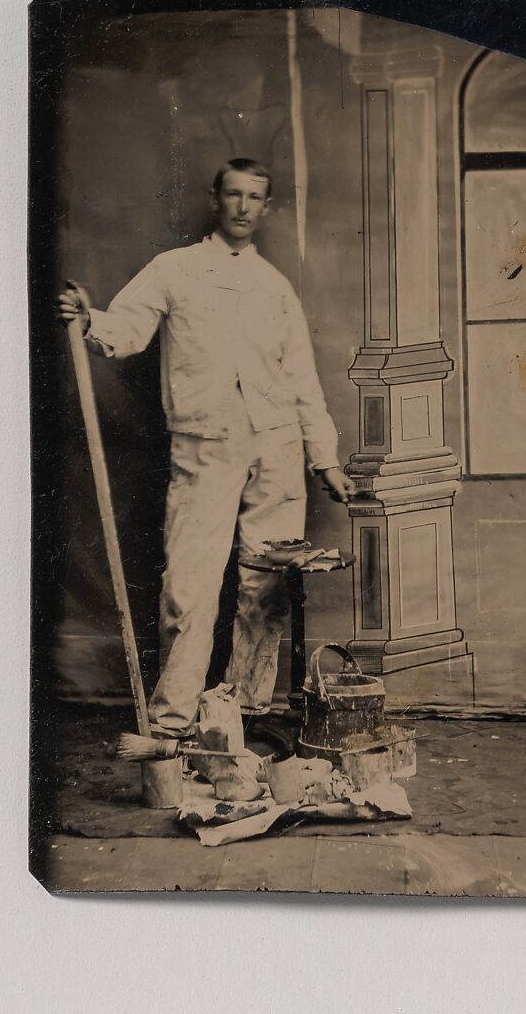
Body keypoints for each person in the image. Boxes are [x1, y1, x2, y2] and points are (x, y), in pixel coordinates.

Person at [58, 158, 354, 739]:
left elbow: (301, 379)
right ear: (215, 199)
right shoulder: (176, 269)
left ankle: (241, 716)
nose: (244, 207)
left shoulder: (275, 288)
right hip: (205, 446)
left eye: (256, 197)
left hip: (276, 449)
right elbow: (126, 328)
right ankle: (172, 721)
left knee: (264, 588)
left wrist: (325, 458)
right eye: (234, 194)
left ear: (266, 207)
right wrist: (88, 317)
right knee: (189, 587)